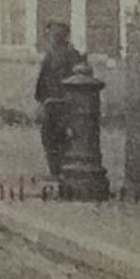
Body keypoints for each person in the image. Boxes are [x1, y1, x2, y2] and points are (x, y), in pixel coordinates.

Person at [35, 21, 85, 178]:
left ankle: (61, 169)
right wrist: (42, 100)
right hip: (54, 102)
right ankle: (57, 170)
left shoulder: (69, 55)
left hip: (62, 103)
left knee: (57, 137)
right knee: (52, 136)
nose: (50, 38)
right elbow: (43, 79)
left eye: (54, 34)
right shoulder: (55, 54)